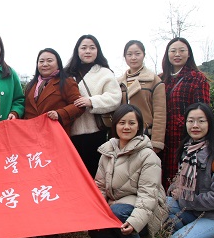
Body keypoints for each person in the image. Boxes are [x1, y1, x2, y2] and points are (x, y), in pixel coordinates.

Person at [89, 104, 167, 238]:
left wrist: (135, 222)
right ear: (115, 125)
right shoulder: (107, 152)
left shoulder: (148, 156)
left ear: (139, 127)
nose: (126, 127)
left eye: (132, 123)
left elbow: (148, 195)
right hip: (117, 206)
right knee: (95, 230)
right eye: (122, 122)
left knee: (118, 212)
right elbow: (100, 186)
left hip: (147, 211)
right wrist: (96, 212)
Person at [165, 102, 214, 238]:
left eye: (201, 121)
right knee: (160, 203)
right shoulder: (187, 150)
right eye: (190, 121)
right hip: (191, 210)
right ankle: (189, 231)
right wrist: (174, 189)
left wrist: (185, 198)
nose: (195, 125)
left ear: (210, 124)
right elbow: (181, 179)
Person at [65, 34, 121, 177]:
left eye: (92, 48)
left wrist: (92, 101)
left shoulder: (105, 72)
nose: (88, 51)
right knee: (73, 174)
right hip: (69, 133)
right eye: (83, 48)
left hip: (95, 132)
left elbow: (115, 97)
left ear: (98, 51)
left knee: (93, 173)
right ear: (77, 51)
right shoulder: (67, 73)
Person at [160, 37, 210, 188]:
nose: (177, 54)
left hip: (185, 135)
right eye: (173, 51)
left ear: (189, 54)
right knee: (161, 173)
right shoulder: (161, 79)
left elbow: (203, 110)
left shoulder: (197, 78)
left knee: (181, 173)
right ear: (167, 54)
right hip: (162, 135)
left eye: (182, 50)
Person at [117, 40, 166, 153]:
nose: (133, 57)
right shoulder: (118, 82)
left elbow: (160, 114)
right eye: (129, 54)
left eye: (137, 54)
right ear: (125, 57)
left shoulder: (154, 80)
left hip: (145, 135)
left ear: (144, 55)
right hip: (123, 134)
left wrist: (156, 142)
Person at [23, 48, 85, 133]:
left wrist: (59, 114)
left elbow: (79, 106)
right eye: (41, 61)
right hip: (31, 133)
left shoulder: (66, 82)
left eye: (49, 61)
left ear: (58, 63)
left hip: (55, 133)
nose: (45, 64)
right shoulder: (31, 85)